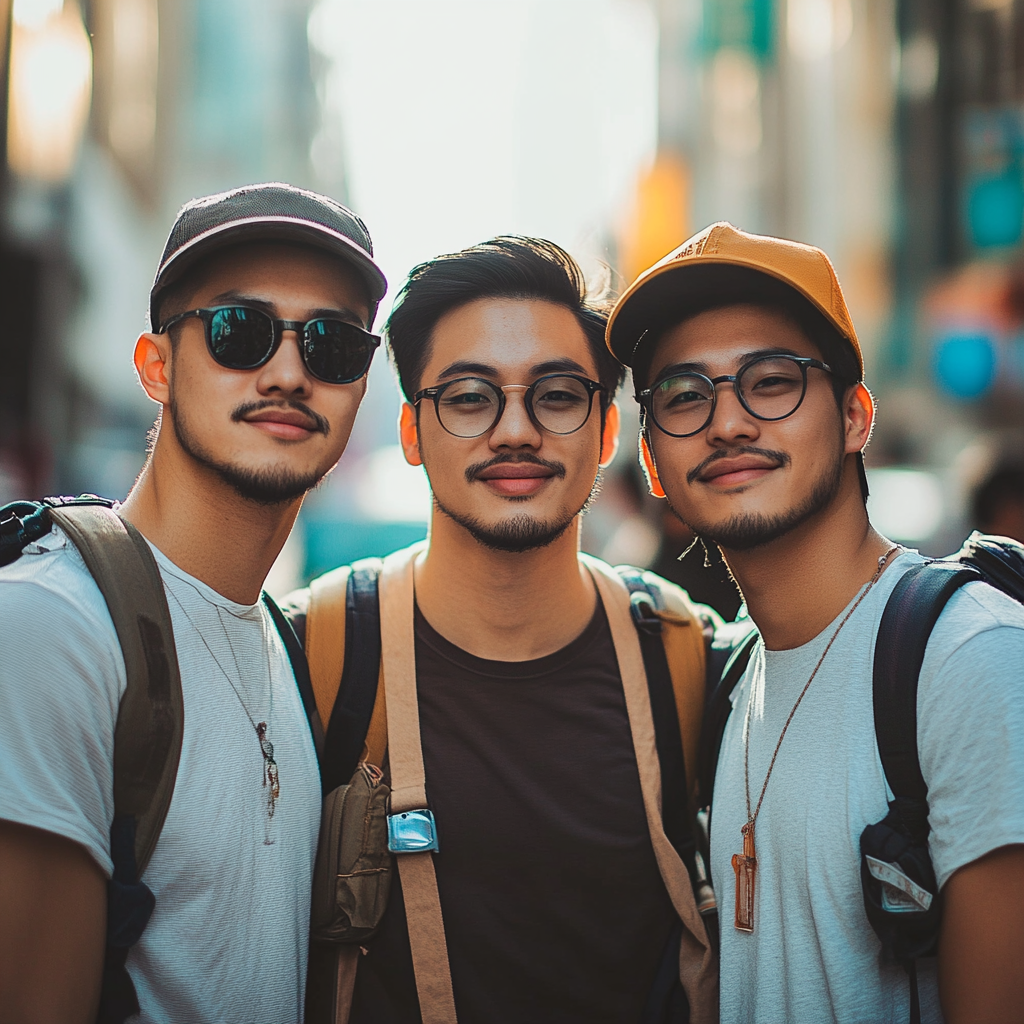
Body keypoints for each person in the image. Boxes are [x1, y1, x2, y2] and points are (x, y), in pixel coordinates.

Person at [286, 236, 718, 1024]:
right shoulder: (309, 652)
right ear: (413, 433)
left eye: (556, 395)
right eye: (470, 397)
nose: (514, 430)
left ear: (606, 431)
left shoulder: (688, 655)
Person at [605, 221, 1024, 1024]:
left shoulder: (969, 657)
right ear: (655, 462)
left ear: (856, 417)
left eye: (770, 381)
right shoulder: (732, 686)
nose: (727, 422)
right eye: (686, 395)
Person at [0, 182, 386, 1023]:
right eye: (238, 331)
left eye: (332, 345)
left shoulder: (283, 646)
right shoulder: (51, 626)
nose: (288, 372)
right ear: (157, 366)